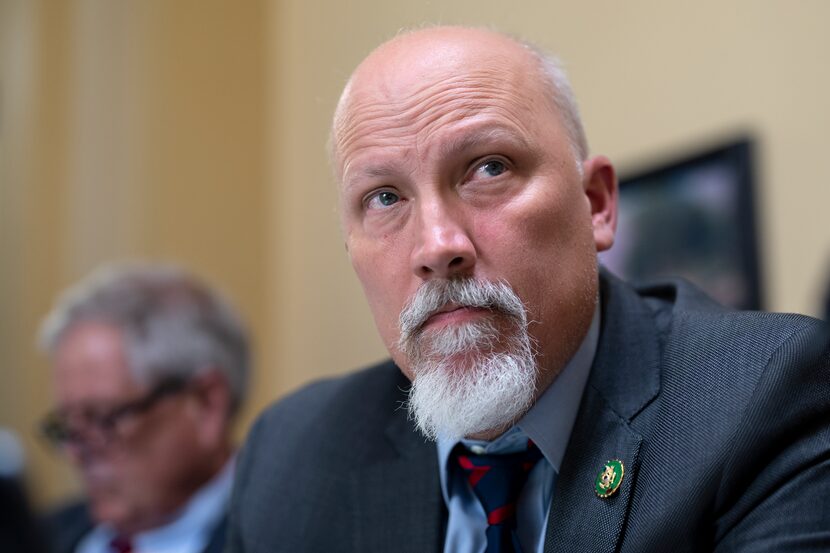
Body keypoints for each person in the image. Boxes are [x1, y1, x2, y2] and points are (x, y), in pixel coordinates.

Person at [226, 26, 830, 552]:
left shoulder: (768, 395)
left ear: (595, 205)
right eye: (384, 198)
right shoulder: (291, 455)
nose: (437, 246)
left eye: (488, 168)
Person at [38, 263, 250, 553]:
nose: (75, 454)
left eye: (102, 419)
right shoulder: (39, 536)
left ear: (207, 404)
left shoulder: (284, 537)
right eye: (67, 425)